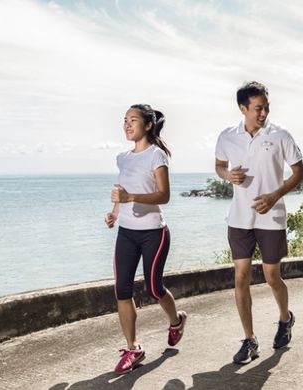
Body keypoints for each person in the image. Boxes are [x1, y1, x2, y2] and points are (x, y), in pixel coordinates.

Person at [214, 81, 303, 364]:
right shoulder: (227, 136)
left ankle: (284, 319)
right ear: (243, 108)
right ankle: (249, 340)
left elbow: (299, 173)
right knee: (240, 276)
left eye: (266, 106)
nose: (264, 112)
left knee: (271, 277)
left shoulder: (281, 135)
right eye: (258, 108)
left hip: (272, 218)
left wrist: (275, 194)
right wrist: (228, 175)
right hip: (239, 218)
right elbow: (219, 166)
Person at [104, 104, 187, 375]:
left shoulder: (157, 155)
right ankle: (133, 348)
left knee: (154, 288)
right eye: (124, 120)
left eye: (133, 120)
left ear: (148, 125)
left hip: (154, 233)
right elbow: (121, 192)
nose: (127, 125)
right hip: (126, 232)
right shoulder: (123, 158)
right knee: (122, 291)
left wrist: (130, 198)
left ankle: (176, 321)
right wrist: (115, 213)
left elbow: (163, 195)